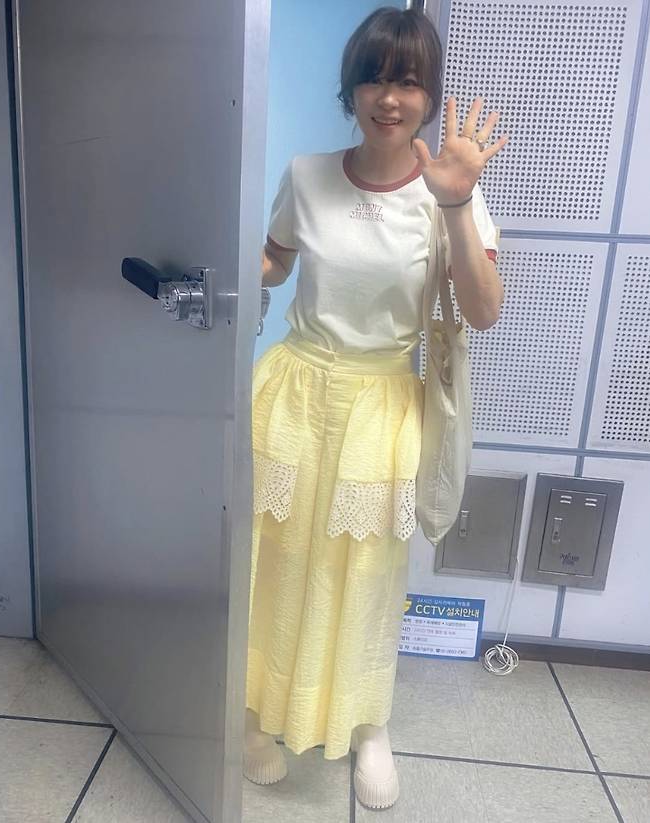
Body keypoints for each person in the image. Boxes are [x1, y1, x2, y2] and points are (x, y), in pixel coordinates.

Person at [244, 6, 507, 810]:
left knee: (367, 569)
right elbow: (274, 258)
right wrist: (224, 271)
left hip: (383, 402)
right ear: (350, 87)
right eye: (374, 78)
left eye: (408, 81)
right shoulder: (307, 174)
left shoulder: (450, 192)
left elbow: (484, 311)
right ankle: (253, 708)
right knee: (272, 554)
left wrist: (455, 204)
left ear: (428, 96)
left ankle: (368, 723)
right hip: (294, 388)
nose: (388, 97)